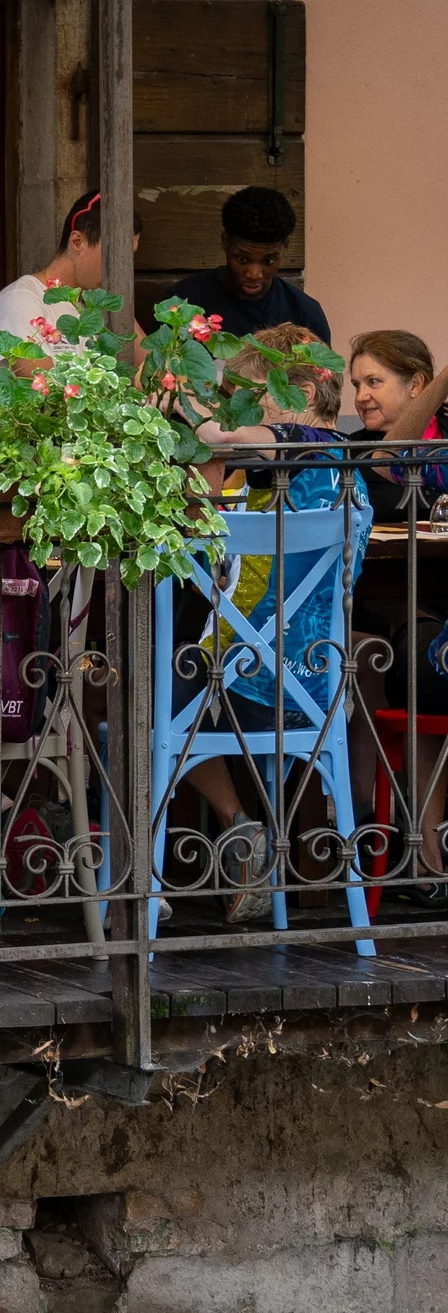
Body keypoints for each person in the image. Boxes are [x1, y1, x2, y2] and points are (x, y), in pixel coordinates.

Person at [189, 327, 370, 920]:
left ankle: (226, 836)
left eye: (254, 396)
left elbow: (219, 436)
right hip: (320, 686)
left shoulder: (298, 448)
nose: (245, 409)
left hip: (250, 686)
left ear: (300, 397)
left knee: (127, 698)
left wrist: (189, 398)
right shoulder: (349, 472)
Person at [170, 186, 329, 343]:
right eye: (242, 259)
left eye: (268, 261)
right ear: (225, 242)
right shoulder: (183, 302)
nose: (254, 274)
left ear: (285, 247)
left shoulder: (306, 314)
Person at [0, 190, 142, 343]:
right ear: (77, 242)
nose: (123, 268)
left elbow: (150, 362)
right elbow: (33, 364)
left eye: (129, 258)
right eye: (116, 254)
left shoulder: (98, 305)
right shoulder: (20, 300)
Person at [349, 331, 446, 521]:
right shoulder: (349, 452)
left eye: (373, 382)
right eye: (357, 385)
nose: (360, 397)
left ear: (415, 385)